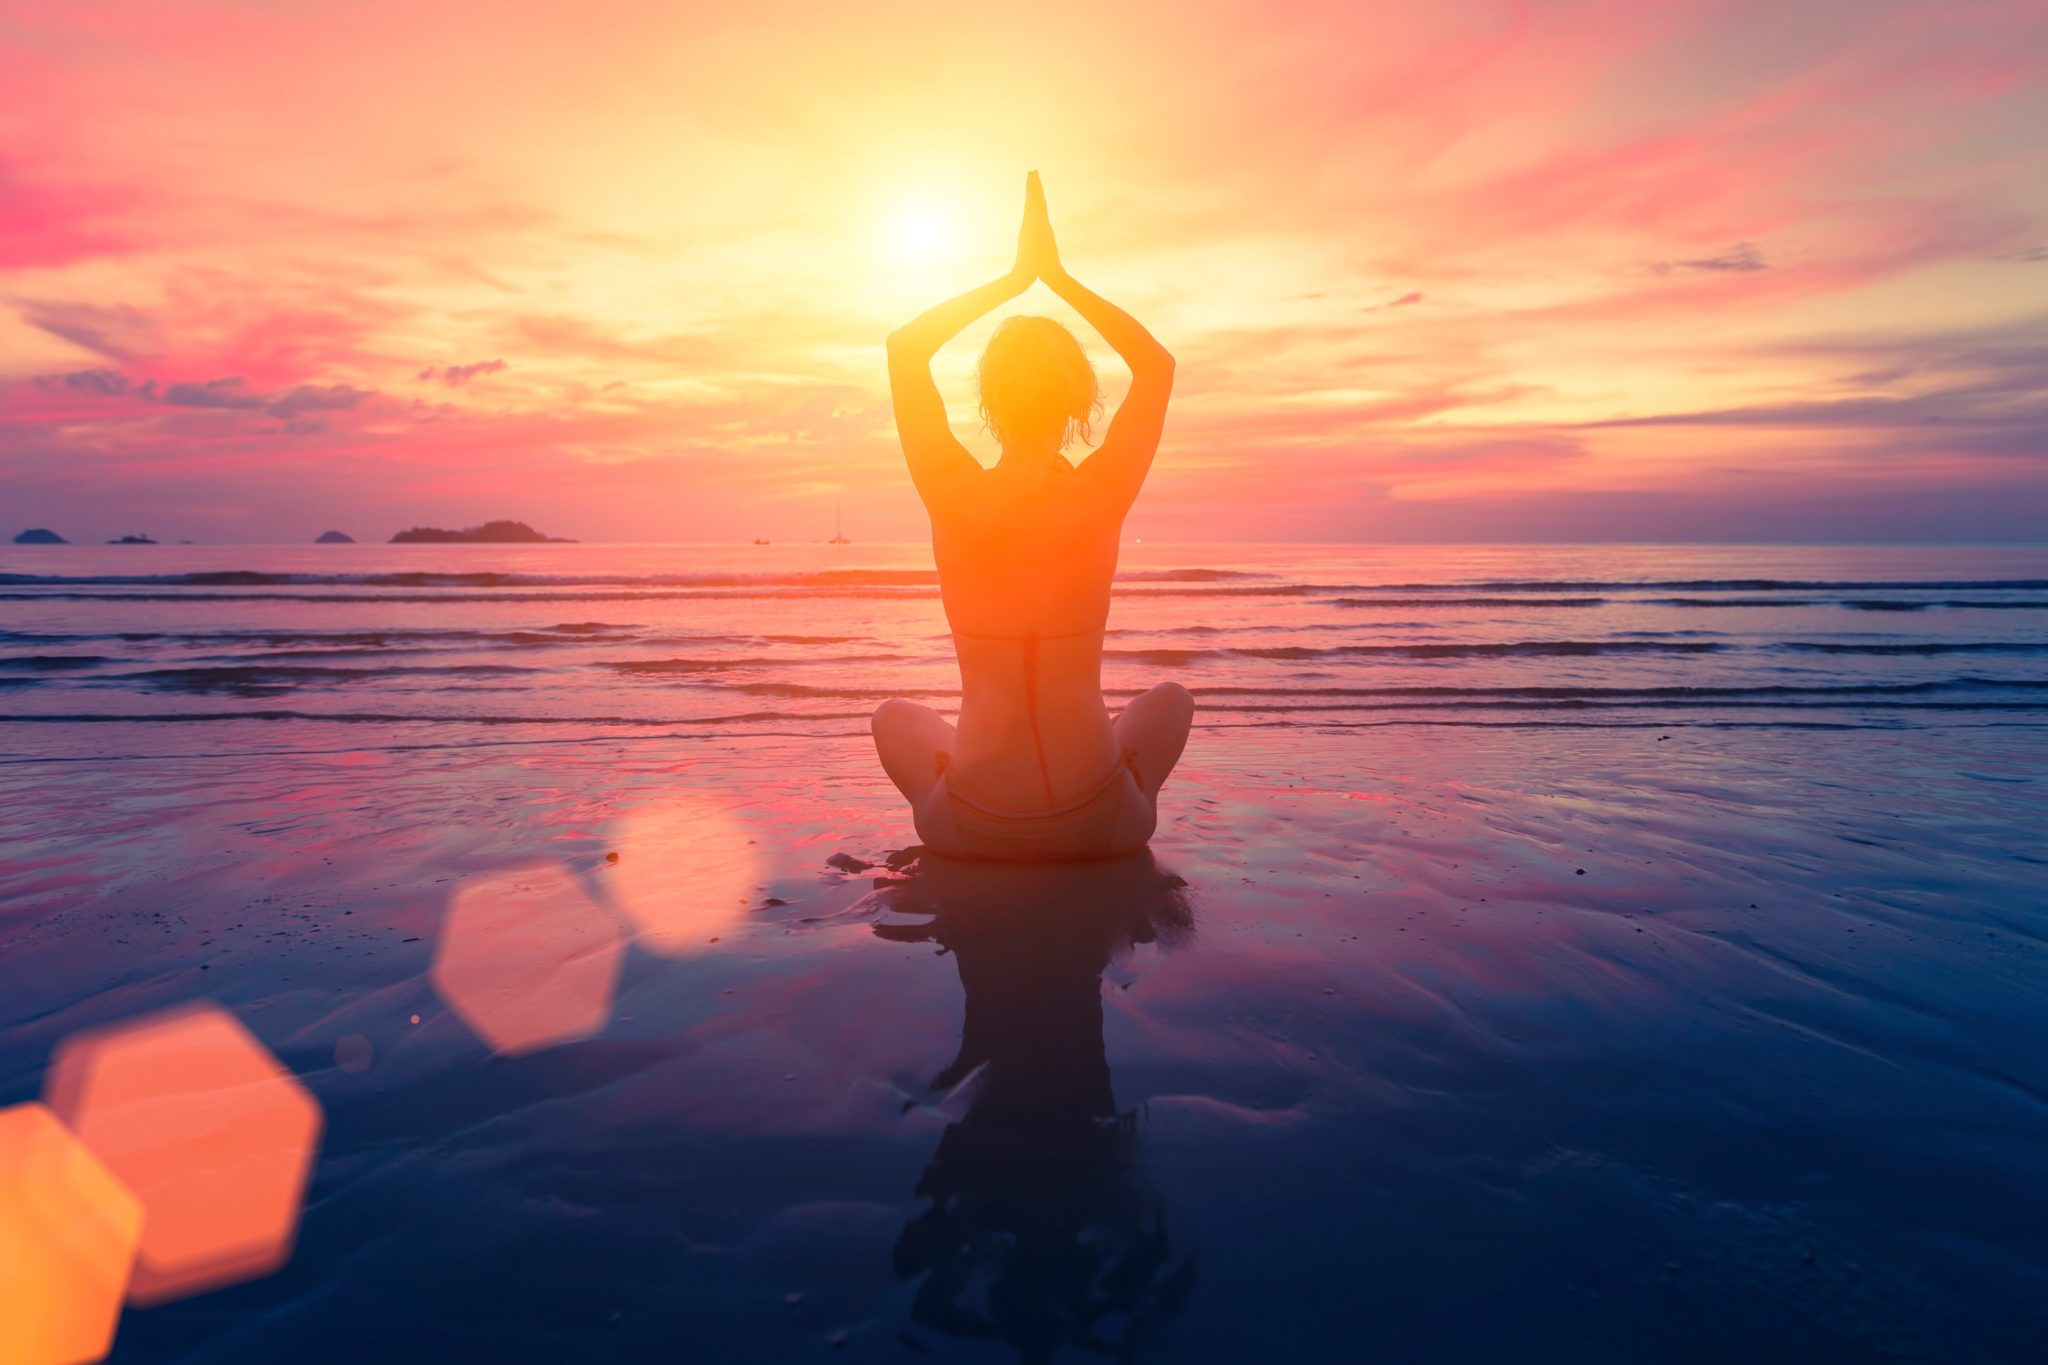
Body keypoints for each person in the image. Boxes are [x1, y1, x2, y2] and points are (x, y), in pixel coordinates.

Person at [872, 171, 1193, 861]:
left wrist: (1014, 279)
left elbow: (905, 348)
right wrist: (1059, 277)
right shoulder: (1100, 492)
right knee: (1167, 700)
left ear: (989, 398)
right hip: (1102, 823)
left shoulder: (951, 489)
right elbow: (1156, 366)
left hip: (974, 827)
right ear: (1079, 401)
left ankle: (962, 777)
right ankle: (1128, 777)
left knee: (895, 718)